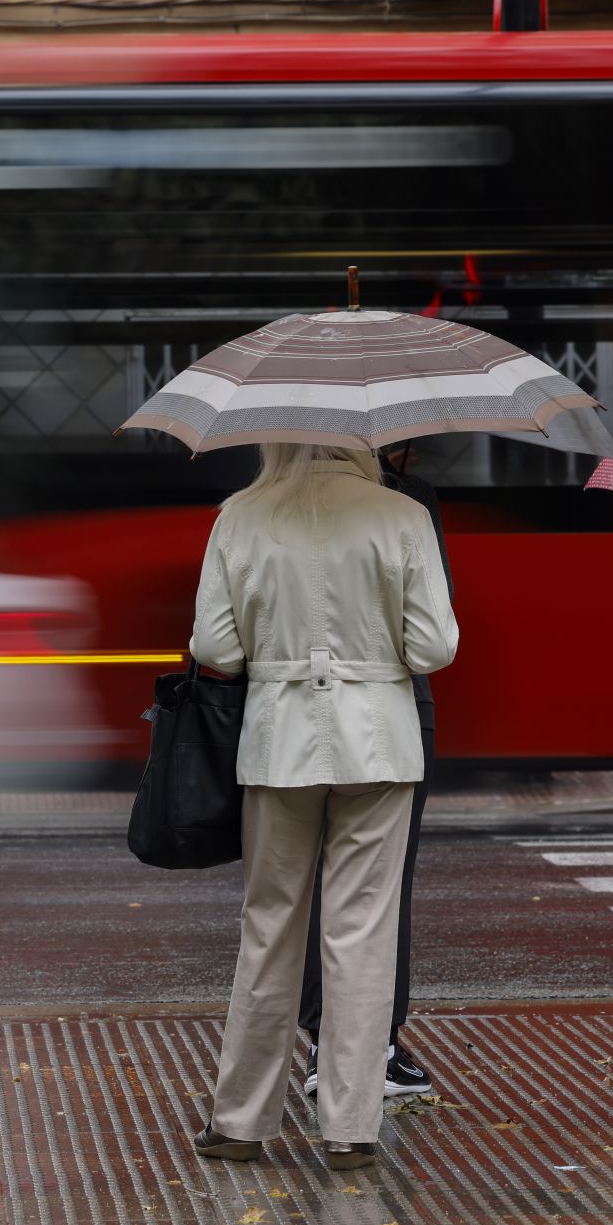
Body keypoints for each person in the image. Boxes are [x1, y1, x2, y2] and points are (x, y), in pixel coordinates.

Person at [188, 443, 458, 1171]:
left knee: (269, 924)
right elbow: (434, 647)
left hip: (277, 742)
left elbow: (213, 643)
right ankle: (350, 1126)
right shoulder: (401, 513)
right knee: (363, 929)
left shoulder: (239, 515)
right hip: (378, 740)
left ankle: (240, 1118)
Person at [297, 442, 451, 1100]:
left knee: (304, 885)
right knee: (383, 888)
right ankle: (377, 1048)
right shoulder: (411, 503)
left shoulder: (274, 503)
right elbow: (432, 640)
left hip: (295, 718)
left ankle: (319, 1040)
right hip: (389, 714)